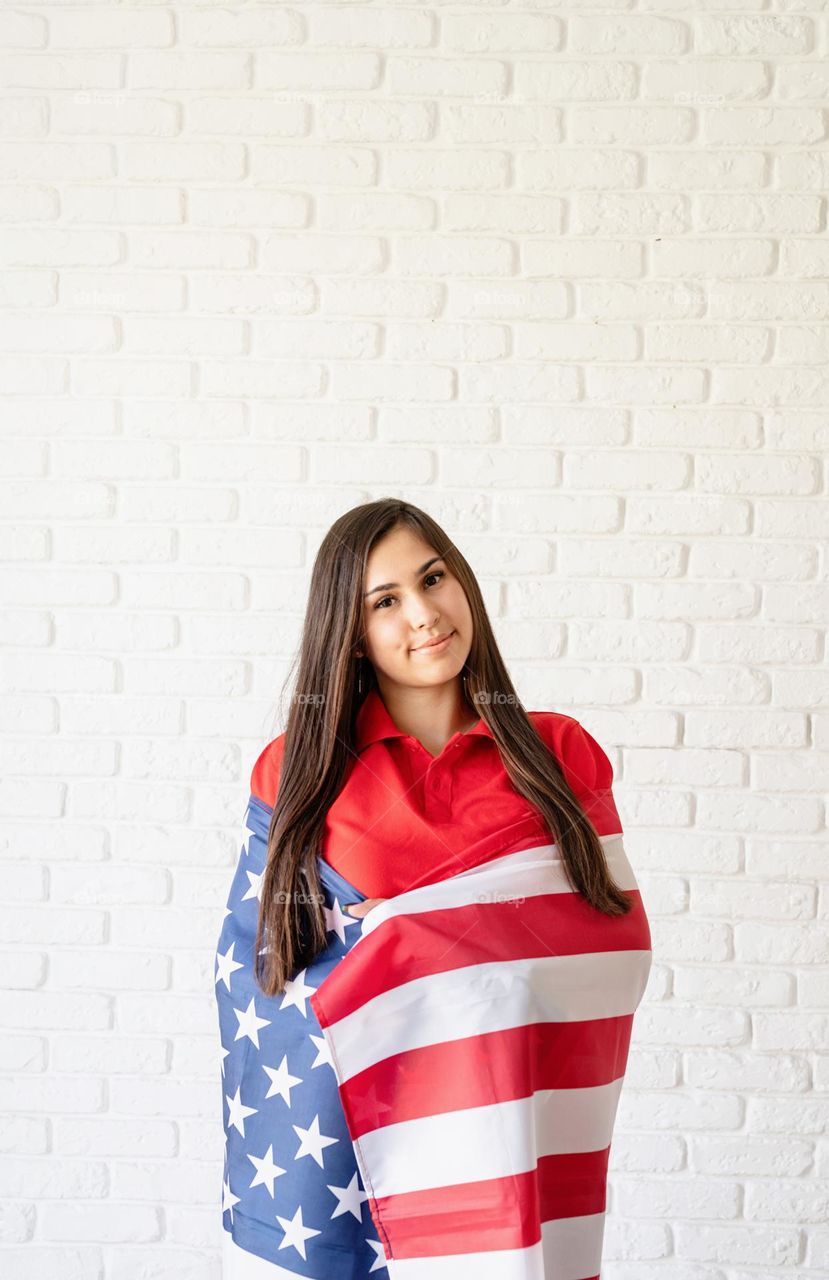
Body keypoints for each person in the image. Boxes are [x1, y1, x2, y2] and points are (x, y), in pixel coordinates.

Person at [215, 498, 651, 1279]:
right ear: (349, 632)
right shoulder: (298, 772)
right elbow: (262, 982)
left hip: (503, 1130)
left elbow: (609, 942)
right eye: (385, 601)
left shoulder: (558, 754)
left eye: (433, 578)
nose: (423, 614)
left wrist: (419, 933)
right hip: (352, 1155)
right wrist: (403, 945)